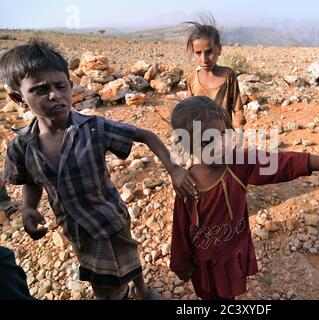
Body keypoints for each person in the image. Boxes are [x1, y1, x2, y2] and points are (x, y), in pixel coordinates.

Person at [0, 39, 198, 300]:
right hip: (76, 229)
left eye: (60, 86)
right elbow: (31, 180)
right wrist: (28, 207)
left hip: (111, 217)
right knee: (100, 277)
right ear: (18, 98)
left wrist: (174, 169)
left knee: (129, 257)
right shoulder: (21, 146)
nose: (54, 95)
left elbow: (147, 136)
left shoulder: (94, 128)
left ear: (71, 86)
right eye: (40, 89)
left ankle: (141, 289)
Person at [169, 96, 319, 300]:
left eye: (223, 135)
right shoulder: (187, 186)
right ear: (187, 145)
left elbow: (285, 162)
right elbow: (181, 231)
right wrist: (181, 264)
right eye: (208, 141)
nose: (220, 146)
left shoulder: (238, 164)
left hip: (231, 258)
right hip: (203, 265)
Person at [184, 16, 246, 129]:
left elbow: (238, 109)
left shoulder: (228, 76)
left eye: (209, 52)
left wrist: (238, 133)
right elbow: (189, 111)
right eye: (198, 53)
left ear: (219, 49)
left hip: (224, 137)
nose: (204, 59)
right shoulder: (192, 78)